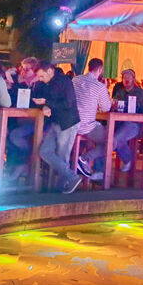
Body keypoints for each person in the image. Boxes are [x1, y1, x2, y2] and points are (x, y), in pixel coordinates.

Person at [32, 61, 83, 193]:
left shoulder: (64, 81)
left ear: (49, 71)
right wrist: (45, 105)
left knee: (62, 156)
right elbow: (45, 100)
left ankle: (65, 185)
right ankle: (70, 179)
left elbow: (68, 103)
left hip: (67, 122)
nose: (39, 79)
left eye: (41, 76)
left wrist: (47, 103)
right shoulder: (46, 84)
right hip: (56, 122)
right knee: (44, 151)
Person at [70, 58, 112, 179]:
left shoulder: (75, 79)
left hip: (72, 123)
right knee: (111, 141)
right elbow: (106, 108)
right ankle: (85, 159)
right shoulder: (99, 86)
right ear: (100, 69)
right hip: (86, 126)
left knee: (101, 131)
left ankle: (85, 164)